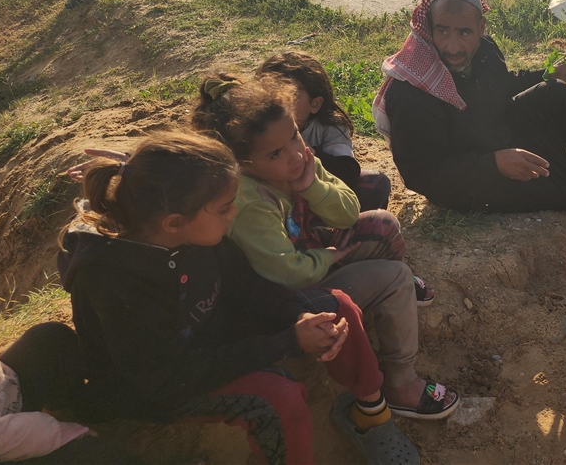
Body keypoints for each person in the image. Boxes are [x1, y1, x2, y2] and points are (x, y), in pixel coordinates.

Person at [58, 132, 419, 465]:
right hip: (160, 385)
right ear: (173, 222)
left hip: (214, 339)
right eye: (225, 208)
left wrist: (296, 317)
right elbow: (164, 377)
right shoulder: (112, 279)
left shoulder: (197, 237)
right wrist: (285, 342)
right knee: (278, 397)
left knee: (336, 306)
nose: (234, 214)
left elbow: (248, 288)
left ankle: (371, 417)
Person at [191, 75, 457, 421]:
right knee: (394, 276)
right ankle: (402, 383)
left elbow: (348, 211)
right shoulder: (250, 202)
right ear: (242, 164)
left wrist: (312, 186)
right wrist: (326, 257)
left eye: (294, 137)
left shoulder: (300, 161)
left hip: (309, 257)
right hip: (286, 298)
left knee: (382, 225)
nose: (293, 154)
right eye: (275, 153)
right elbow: (282, 272)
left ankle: (390, 301)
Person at [373, 0, 566, 213]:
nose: (452, 46)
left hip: (494, 137)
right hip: (464, 181)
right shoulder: (410, 92)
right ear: (429, 27)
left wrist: (550, 74)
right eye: (442, 30)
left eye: (464, 32)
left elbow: (501, 85)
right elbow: (423, 175)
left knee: (555, 94)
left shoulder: (484, 50)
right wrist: (494, 165)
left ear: (481, 27)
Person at [256, 51, 392, 211]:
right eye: (267, 92)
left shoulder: (328, 125)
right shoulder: (252, 129)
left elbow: (347, 173)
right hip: (275, 208)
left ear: (315, 104)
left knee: (376, 184)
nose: (277, 101)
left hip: (322, 206)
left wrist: (309, 154)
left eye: (289, 94)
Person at [0, 324, 140, 464]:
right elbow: (7, 436)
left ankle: (68, 411)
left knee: (49, 338)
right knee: (94, 454)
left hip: (5, 396)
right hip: (3, 442)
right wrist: (74, 434)